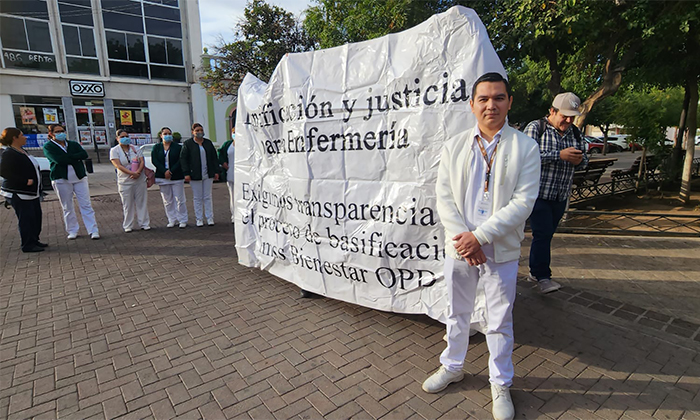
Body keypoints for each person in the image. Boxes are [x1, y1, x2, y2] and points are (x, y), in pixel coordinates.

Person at [422, 73, 540, 420]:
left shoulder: (525, 147)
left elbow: (523, 202)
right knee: (457, 312)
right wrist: (465, 239)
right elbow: (444, 198)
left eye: (499, 98)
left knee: (499, 320)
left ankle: (500, 383)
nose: (491, 105)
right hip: (460, 247)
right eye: (484, 99)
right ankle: (453, 366)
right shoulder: (455, 145)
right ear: (472, 104)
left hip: (499, 249)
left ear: (509, 102)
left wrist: (481, 237)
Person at [524, 92, 588, 294]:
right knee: (542, 234)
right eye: (564, 116)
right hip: (538, 193)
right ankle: (542, 276)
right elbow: (526, 157)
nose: (568, 121)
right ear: (552, 111)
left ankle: (535, 271)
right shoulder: (536, 128)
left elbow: (584, 159)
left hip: (561, 195)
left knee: (546, 235)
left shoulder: (575, 133)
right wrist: (559, 155)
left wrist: (579, 160)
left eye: (572, 117)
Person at [43, 124, 100, 240]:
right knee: (67, 206)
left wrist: (69, 157)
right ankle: (72, 230)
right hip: (61, 179)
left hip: (79, 178)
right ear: (51, 134)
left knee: (86, 204)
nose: (61, 133)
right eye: (57, 132)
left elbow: (84, 154)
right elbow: (59, 160)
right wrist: (74, 157)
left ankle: (93, 230)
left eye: (62, 131)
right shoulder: (48, 147)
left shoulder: (73, 144)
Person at [0, 127, 47, 252]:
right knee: (26, 219)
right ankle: (27, 244)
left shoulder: (22, 151)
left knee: (36, 217)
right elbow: (4, 172)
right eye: (22, 135)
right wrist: (24, 181)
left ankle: (34, 240)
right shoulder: (9, 153)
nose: (25, 137)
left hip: (32, 192)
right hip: (20, 193)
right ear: (14, 138)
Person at [109, 129, 150, 232]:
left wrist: (138, 172)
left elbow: (142, 161)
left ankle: (144, 223)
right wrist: (131, 173)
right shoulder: (114, 150)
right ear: (117, 138)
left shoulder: (135, 148)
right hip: (125, 181)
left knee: (141, 202)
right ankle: (128, 225)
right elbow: (118, 165)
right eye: (122, 137)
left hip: (139, 179)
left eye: (126, 136)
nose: (125, 138)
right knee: (127, 204)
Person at [180, 123, 219, 226]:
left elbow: (214, 158)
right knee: (197, 197)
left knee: (207, 196)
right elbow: (183, 159)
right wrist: (186, 173)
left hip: (207, 174)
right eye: (197, 131)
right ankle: (199, 219)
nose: (199, 132)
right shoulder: (188, 144)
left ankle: (209, 217)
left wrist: (216, 171)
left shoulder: (208, 143)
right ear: (193, 132)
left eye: (201, 130)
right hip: (195, 174)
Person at [152, 127, 187, 228]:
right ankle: (172, 219)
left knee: (180, 199)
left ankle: (182, 219)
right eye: (165, 134)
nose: (167, 136)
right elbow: (155, 160)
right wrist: (164, 171)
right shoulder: (157, 147)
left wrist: (171, 171)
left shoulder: (178, 147)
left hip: (176, 176)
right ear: (161, 136)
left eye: (169, 133)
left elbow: (180, 160)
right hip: (162, 176)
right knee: (167, 201)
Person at [218, 126, 235, 224]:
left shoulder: (245, 143)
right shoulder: (228, 144)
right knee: (233, 196)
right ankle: (234, 215)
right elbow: (220, 154)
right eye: (234, 132)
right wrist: (224, 164)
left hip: (243, 175)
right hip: (231, 173)